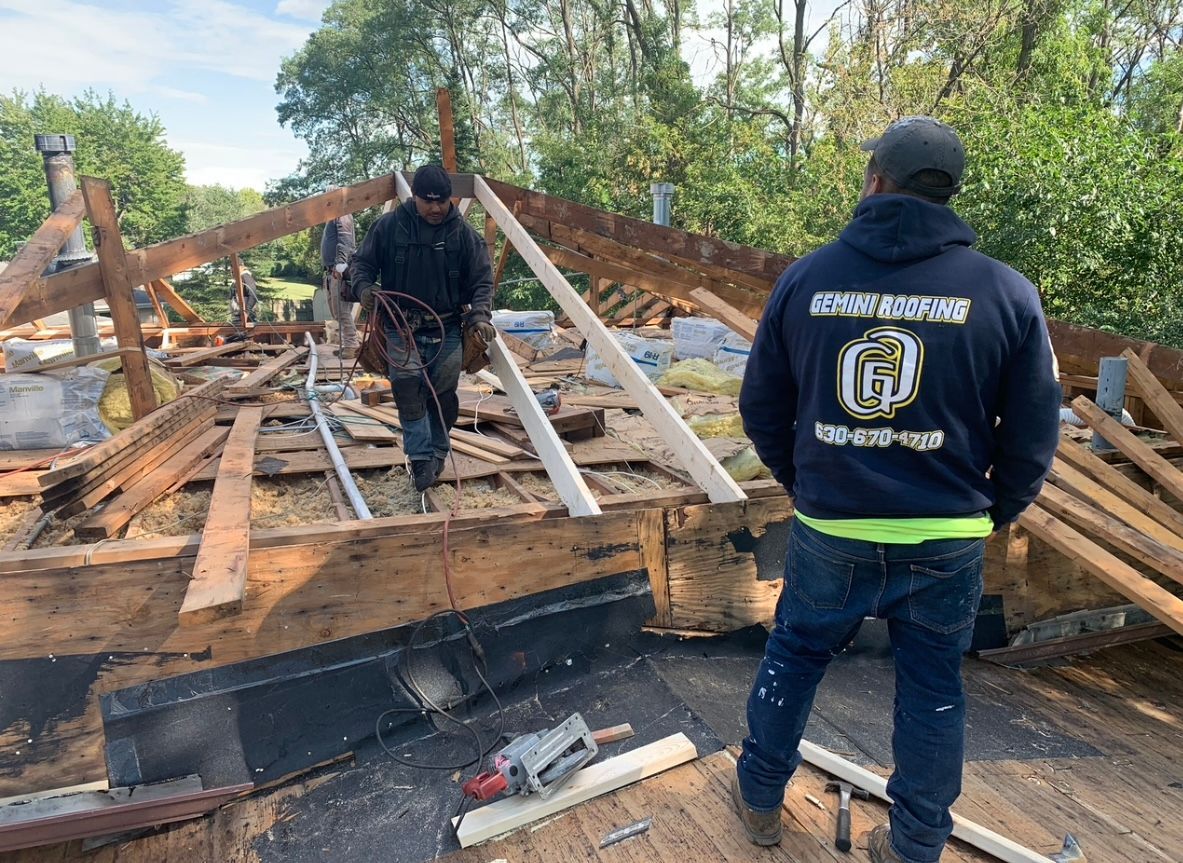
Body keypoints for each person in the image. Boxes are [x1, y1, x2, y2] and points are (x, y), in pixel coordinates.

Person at [732, 117, 1062, 862]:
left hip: (833, 529)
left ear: (874, 180)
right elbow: (1035, 432)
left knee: (794, 656)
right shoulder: (1005, 293)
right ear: (949, 193)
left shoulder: (805, 280)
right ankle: (913, 844)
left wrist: (809, 483)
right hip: (946, 536)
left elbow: (760, 406)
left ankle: (759, 801)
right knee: (932, 689)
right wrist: (993, 510)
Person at [350, 165, 495, 492]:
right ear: (414, 197)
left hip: (447, 326)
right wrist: (364, 288)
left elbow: (482, 280)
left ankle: (438, 453)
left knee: (442, 395)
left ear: (449, 199)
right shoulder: (389, 227)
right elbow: (362, 264)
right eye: (428, 201)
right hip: (400, 325)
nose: (435, 208)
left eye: (441, 201)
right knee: (407, 387)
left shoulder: (463, 235)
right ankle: (419, 459)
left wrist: (480, 317)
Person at [321, 196, 360, 359]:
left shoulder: (342, 213)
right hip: (332, 270)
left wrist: (340, 264)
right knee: (337, 311)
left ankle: (351, 345)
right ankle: (347, 344)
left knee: (342, 310)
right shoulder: (333, 215)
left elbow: (345, 239)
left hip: (339, 270)